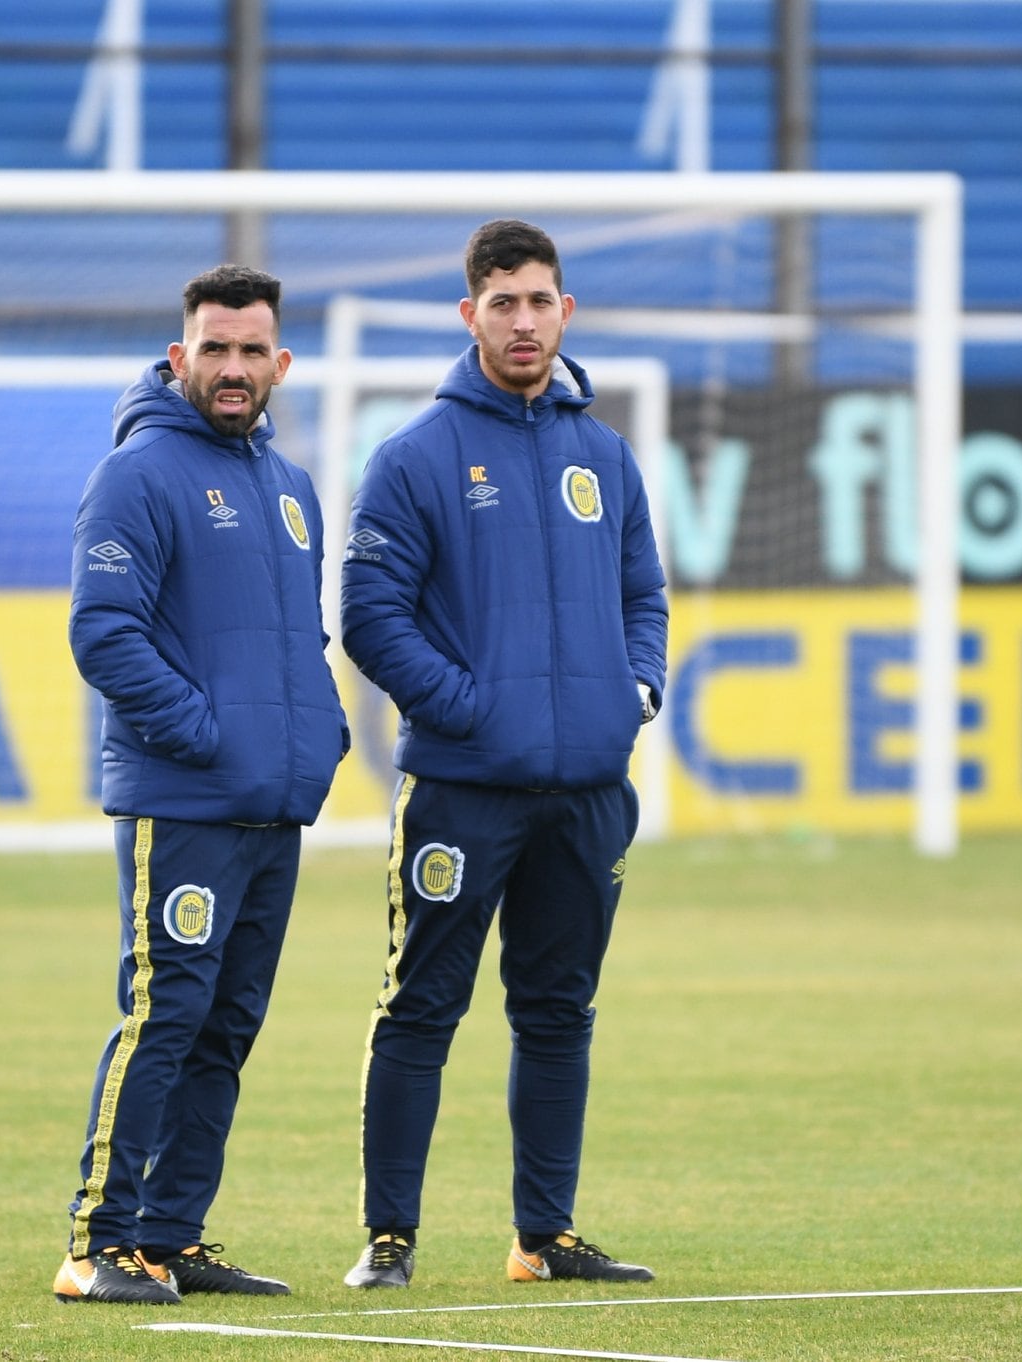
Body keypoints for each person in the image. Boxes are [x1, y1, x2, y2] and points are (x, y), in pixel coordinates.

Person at [338, 219, 669, 1290]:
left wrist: (639, 688)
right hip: (463, 792)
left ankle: (544, 1235)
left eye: (540, 302)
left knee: (559, 1012)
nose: (522, 322)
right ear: (468, 314)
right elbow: (371, 614)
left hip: (587, 791)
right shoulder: (414, 456)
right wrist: (464, 711)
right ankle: (389, 1238)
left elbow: (642, 595)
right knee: (422, 1007)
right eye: (502, 302)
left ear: (565, 312)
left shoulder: (604, 454)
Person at [56, 265, 351, 1305]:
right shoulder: (139, 474)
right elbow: (104, 632)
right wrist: (206, 737)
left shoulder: (291, 486)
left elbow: (297, 642)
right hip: (184, 802)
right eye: (213, 349)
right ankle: (97, 1244)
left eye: (250, 351)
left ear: (281, 363)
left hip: (272, 807)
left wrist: (317, 733)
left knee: (227, 1022)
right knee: (163, 1012)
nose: (232, 369)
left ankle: (169, 1233)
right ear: (180, 357)